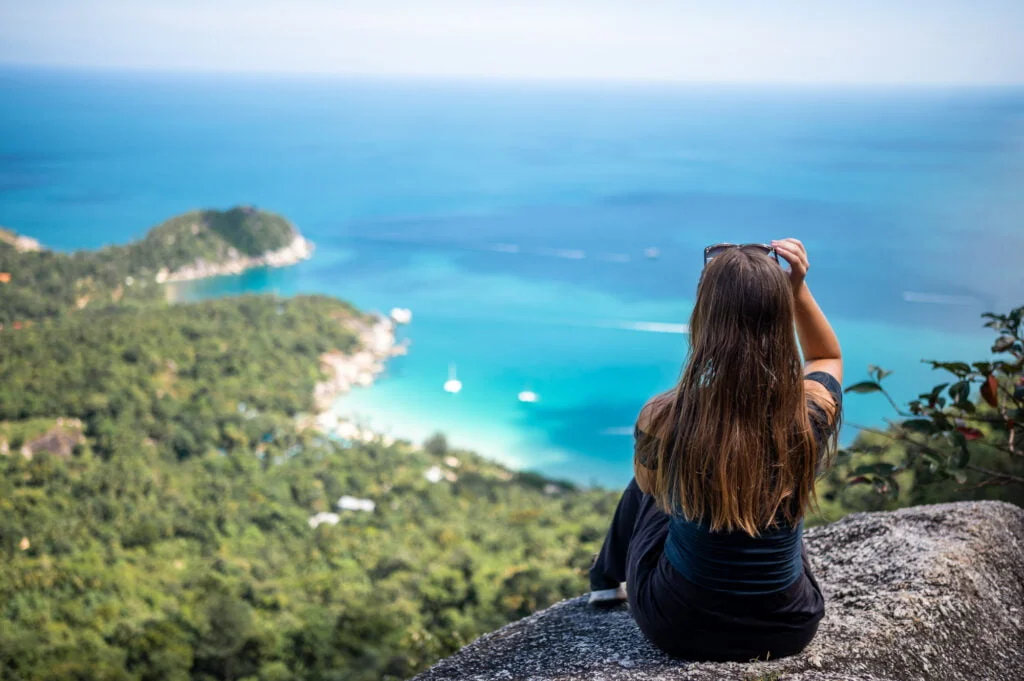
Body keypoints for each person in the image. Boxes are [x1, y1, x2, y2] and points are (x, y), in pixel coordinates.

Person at [588, 239, 842, 662]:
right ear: (779, 322)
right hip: (787, 628)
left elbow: (655, 493)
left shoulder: (664, 416)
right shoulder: (810, 412)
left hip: (680, 626)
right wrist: (797, 289)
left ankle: (602, 580)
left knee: (649, 484)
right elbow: (825, 355)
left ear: (704, 321)